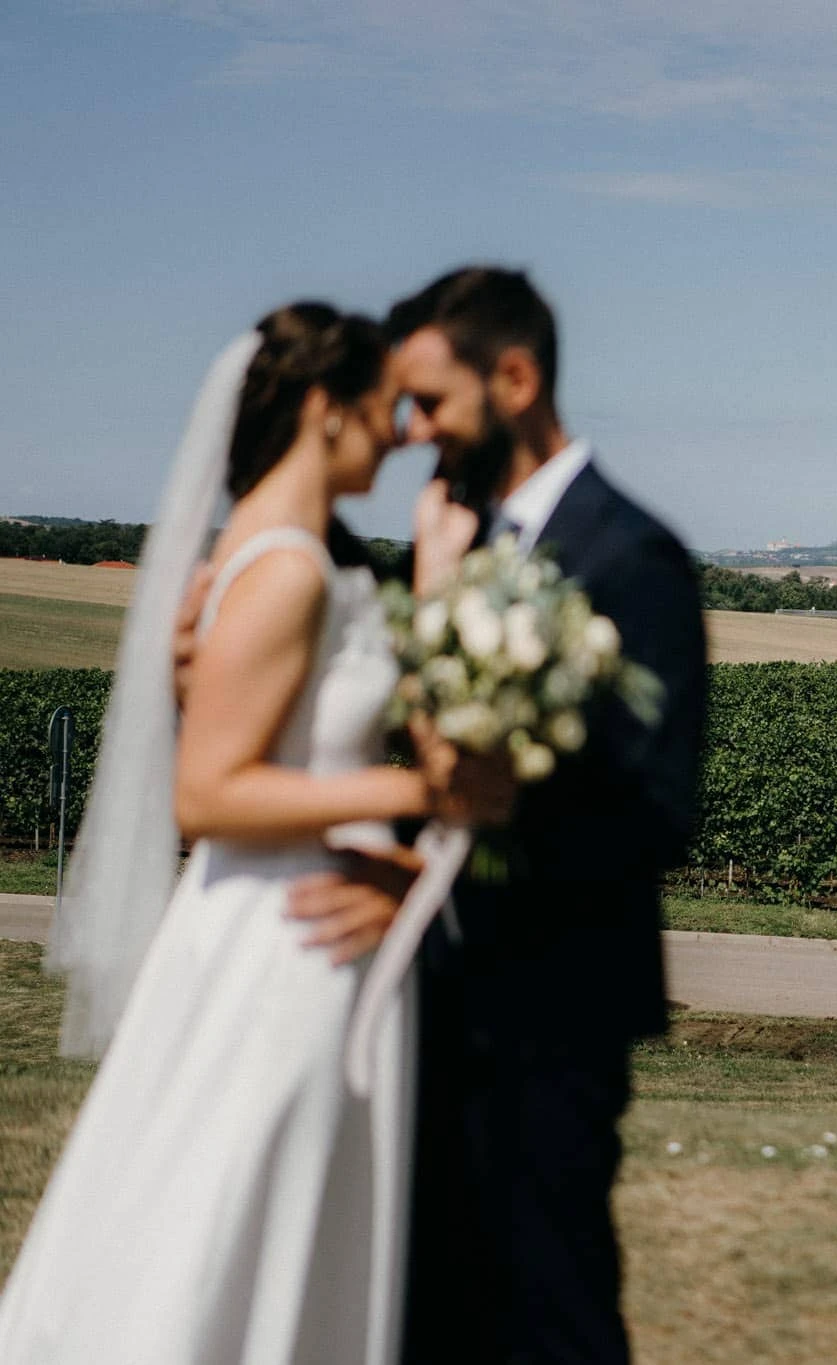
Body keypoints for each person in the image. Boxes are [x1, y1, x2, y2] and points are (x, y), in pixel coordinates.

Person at [0, 304, 463, 1362]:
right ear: (323, 407)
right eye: (383, 407)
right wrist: (419, 789)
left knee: (248, 1229)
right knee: (231, 1226)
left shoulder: (285, 555)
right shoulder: (285, 569)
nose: (400, 432)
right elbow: (207, 795)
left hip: (295, 920)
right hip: (283, 939)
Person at [374, 266, 709, 1364]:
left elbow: (659, 811)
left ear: (514, 379)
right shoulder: (455, 543)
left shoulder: (635, 556)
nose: (415, 431)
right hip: (431, 996)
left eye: (433, 402)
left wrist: (509, 797)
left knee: (550, 1316)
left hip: (554, 1007)